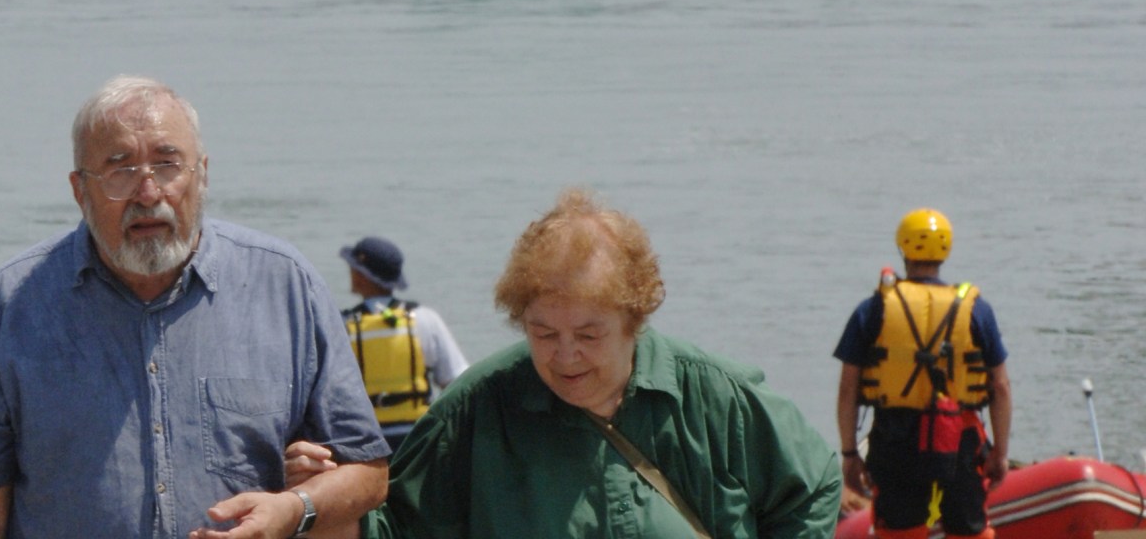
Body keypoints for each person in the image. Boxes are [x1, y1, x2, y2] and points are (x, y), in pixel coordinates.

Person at [0, 75, 389, 539]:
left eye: (167, 165)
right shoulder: (9, 307)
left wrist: (295, 508)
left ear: (202, 175)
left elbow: (367, 472)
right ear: (80, 190)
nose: (148, 194)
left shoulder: (285, 286)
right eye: (120, 170)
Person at [341, 188, 839, 538]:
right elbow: (394, 529)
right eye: (543, 333)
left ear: (634, 319)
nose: (565, 355)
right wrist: (322, 498)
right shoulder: (471, 414)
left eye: (588, 334)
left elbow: (813, 488)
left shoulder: (716, 397)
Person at [834, 209, 1012, 539]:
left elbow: (848, 389)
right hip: (959, 437)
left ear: (902, 247)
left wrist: (849, 455)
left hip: (895, 438)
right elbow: (1000, 386)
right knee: (969, 531)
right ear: (946, 250)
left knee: (898, 532)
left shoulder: (873, 309)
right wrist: (1000, 453)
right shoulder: (977, 310)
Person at [336, 237, 467, 453]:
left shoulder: (342, 325)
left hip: (365, 439)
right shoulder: (425, 319)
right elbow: (457, 383)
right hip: (418, 437)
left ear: (361, 277)